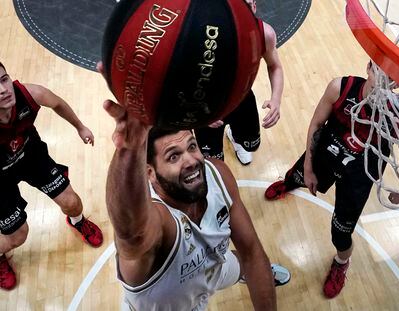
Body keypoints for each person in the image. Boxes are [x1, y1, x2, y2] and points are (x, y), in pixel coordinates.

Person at [102, 64, 290, 309]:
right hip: (177, 304)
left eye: (192, 146)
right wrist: (128, 150)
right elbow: (130, 232)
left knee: (242, 263)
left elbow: (252, 252)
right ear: (150, 173)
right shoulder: (156, 222)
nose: (191, 160)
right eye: (173, 156)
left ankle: (240, 274)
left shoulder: (217, 174)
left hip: (214, 268)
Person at [264, 61, 399, 298]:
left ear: (397, 84)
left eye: (390, 81)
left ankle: (342, 262)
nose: (382, 85)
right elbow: (316, 124)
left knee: (340, 232)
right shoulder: (340, 88)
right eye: (379, 75)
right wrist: (308, 166)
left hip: (359, 175)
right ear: (369, 68)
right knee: (300, 175)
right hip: (328, 150)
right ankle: (291, 182)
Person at [0, 62, 103, 290]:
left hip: (31, 157)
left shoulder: (29, 94)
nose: (3, 89)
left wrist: (80, 126)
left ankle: (77, 223)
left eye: (4, 79)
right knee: (17, 236)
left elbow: (56, 103)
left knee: (72, 203)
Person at [194, 0, 284, 165]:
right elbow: (184, 78)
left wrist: (276, 99)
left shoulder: (265, 34)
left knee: (250, 144)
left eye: (248, 5)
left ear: (254, 6)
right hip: (208, 106)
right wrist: (199, 112)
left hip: (242, 100)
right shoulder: (202, 33)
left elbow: (275, 66)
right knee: (213, 161)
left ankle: (235, 138)